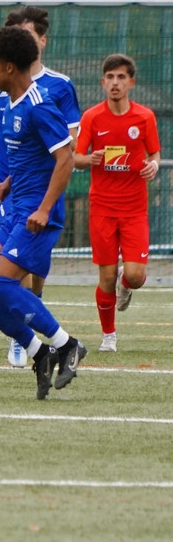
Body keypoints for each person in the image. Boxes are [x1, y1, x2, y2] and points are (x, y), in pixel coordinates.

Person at [0, 26, 86, 400]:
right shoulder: (10, 102)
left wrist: (45, 208)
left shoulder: (39, 105)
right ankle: (39, 353)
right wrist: (9, 182)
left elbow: (65, 160)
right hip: (17, 210)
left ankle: (68, 344)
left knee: (3, 284)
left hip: (38, 216)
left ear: (10, 68)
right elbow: (33, 158)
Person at [74, 54, 161, 352]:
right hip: (102, 208)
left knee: (134, 276)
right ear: (102, 82)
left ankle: (127, 286)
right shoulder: (92, 117)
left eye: (121, 77)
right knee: (107, 277)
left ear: (131, 82)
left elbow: (154, 153)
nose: (115, 82)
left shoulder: (144, 117)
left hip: (135, 209)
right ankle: (108, 335)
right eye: (110, 77)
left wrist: (154, 165)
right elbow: (76, 157)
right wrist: (90, 158)